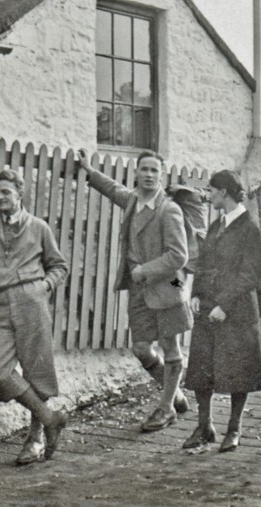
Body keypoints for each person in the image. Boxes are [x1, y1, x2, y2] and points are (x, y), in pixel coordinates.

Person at [78, 149, 192, 433]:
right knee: (141, 348)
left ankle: (165, 408)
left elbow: (179, 256)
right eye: (145, 169)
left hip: (169, 287)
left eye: (155, 170)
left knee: (171, 348)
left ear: (161, 176)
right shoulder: (132, 200)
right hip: (141, 289)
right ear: (137, 173)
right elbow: (113, 189)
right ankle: (175, 394)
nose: (149, 175)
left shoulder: (169, 209)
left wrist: (145, 270)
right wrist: (89, 171)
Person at [0, 168, 70, 465]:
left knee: (36, 371)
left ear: (19, 194)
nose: (0, 197)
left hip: (31, 299)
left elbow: (59, 266)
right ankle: (50, 417)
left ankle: (35, 438)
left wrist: (43, 286)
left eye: (6, 192)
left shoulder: (39, 227)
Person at [182, 170, 261, 452]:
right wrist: (196, 294)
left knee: (238, 371)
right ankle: (205, 427)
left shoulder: (250, 227)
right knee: (201, 368)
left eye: (212, 190)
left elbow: (250, 274)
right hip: (209, 307)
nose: (209, 195)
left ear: (224, 193)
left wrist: (223, 305)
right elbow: (204, 263)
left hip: (238, 310)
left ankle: (234, 429)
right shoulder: (217, 224)